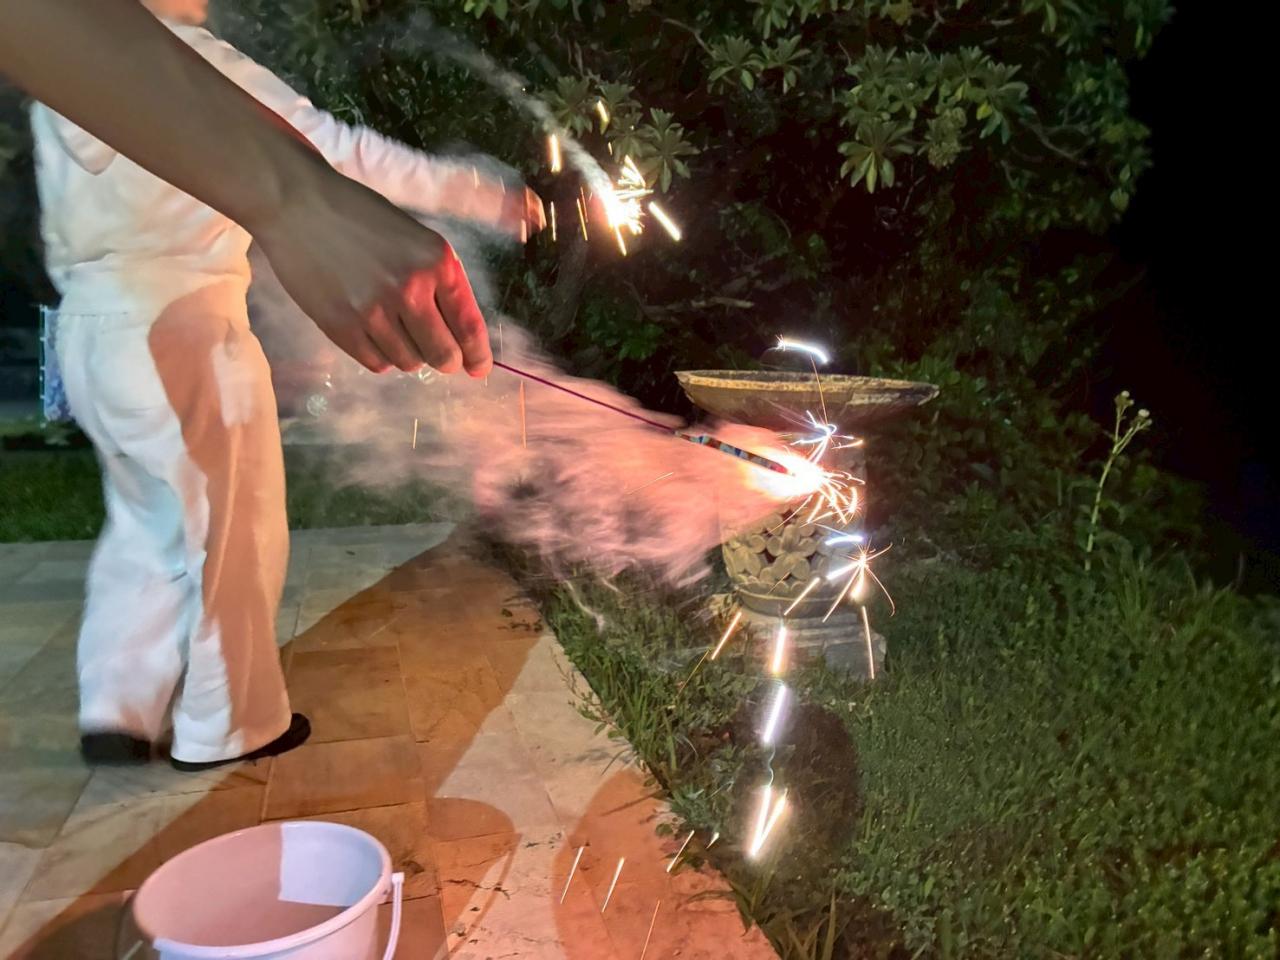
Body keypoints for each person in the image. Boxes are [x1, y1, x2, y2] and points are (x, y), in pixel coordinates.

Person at [27, 0, 544, 770]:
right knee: (234, 530)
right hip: (184, 324)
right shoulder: (194, 66)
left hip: (89, 328)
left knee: (144, 519)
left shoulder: (65, 80)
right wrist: (482, 195)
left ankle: (116, 708)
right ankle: (230, 725)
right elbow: (336, 153)